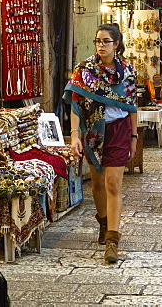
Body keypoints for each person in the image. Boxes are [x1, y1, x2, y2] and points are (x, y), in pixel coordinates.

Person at [65, 24, 138, 264]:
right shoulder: (84, 70)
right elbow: (75, 103)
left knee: (113, 183)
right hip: (93, 130)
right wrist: (75, 134)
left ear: (116, 44)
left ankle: (112, 240)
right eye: (98, 41)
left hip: (119, 130)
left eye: (106, 41)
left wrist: (134, 137)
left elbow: (132, 107)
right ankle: (103, 222)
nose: (101, 46)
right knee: (97, 183)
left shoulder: (127, 71)